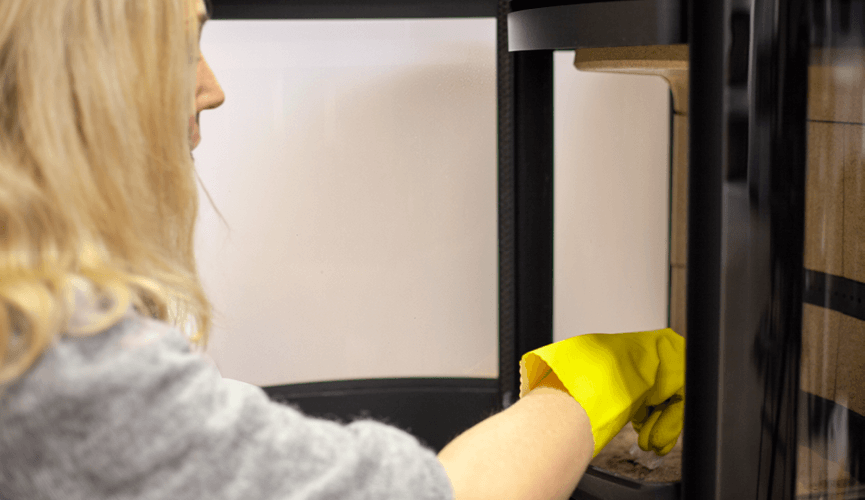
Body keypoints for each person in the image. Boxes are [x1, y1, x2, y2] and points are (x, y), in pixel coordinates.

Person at [0, 0, 685, 499]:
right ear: (80, 75)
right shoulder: (52, 353)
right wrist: (598, 375)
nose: (213, 88)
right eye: (183, 46)